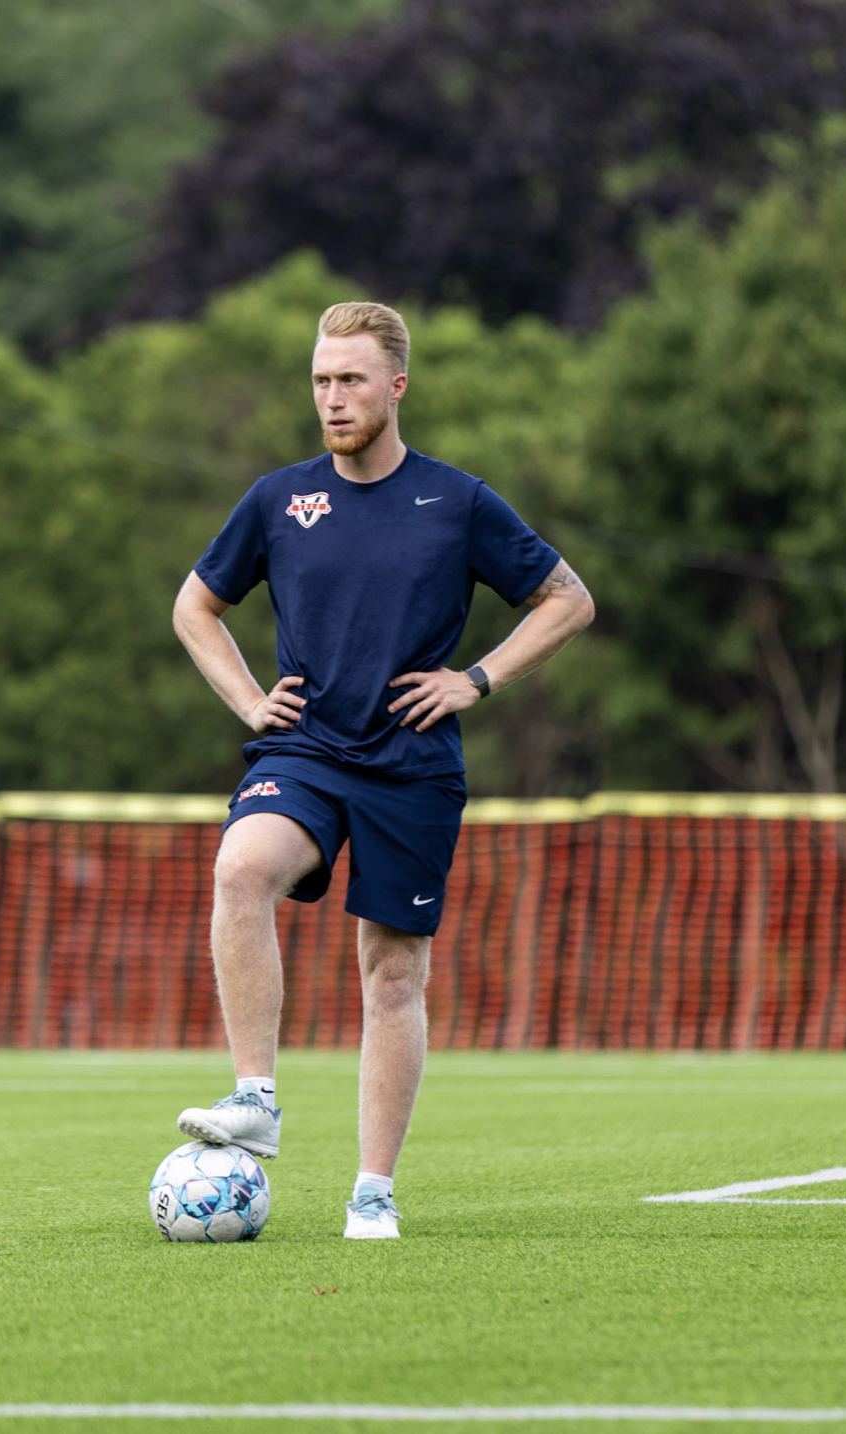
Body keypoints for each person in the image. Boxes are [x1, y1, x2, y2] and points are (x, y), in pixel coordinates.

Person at [172, 301, 594, 1239]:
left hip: (413, 766)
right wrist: (250, 703)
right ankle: (256, 1098)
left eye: (351, 379)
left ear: (396, 386)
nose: (332, 397)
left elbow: (568, 600)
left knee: (392, 974)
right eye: (321, 380)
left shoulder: (458, 501)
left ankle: (373, 1191)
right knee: (240, 869)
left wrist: (476, 679)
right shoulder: (278, 499)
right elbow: (195, 608)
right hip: (307, 749)